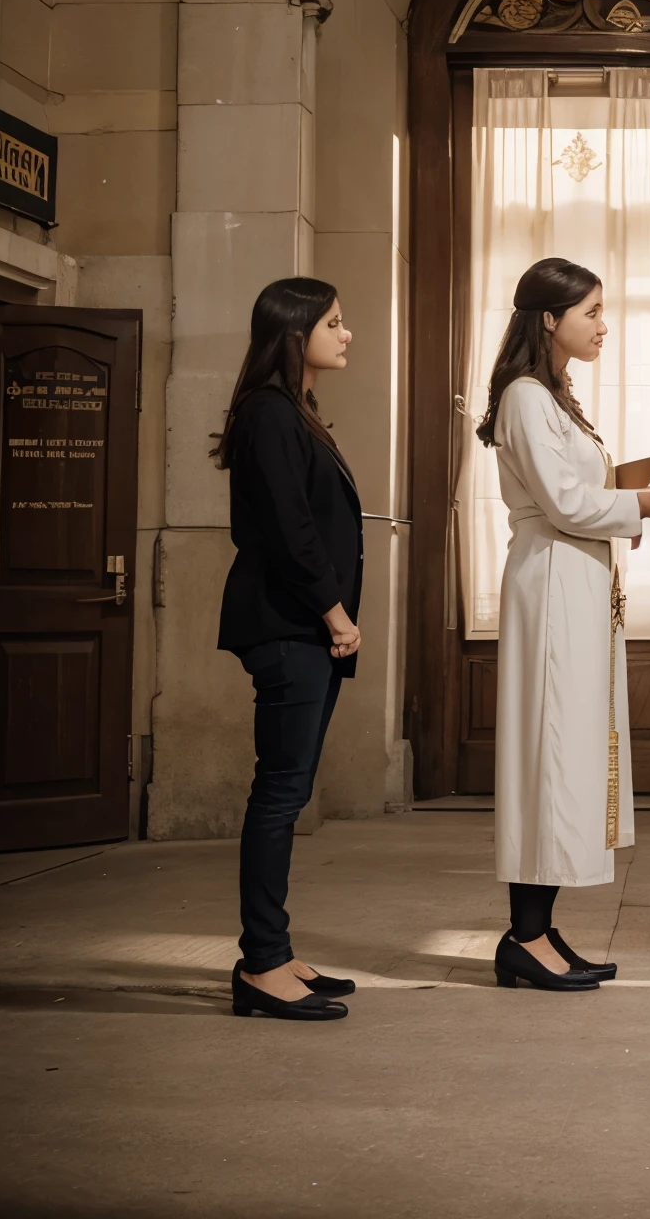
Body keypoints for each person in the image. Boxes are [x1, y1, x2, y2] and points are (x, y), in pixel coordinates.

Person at [478, 258, 650, 992]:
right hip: (549, 586)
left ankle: (538, 930)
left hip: (577, 582)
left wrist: (638, 498)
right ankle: (524, 938)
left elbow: (582, 494)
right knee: (551, 757)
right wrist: (643, 503)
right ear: (550, 318)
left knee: (570, 758)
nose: (604, 326)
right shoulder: (524, 396)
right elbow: (568, 503)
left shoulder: (553, 395)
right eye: (592, 312)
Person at [215, 278, 363, 1022]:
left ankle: (274, 950)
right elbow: (289, 530)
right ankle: (261, 964)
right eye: (333, 323)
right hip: (289, 626)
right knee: (278, 795)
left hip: (301, 626)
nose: (346, 335)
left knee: (287, 791)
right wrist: (335, 613)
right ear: (293, 331)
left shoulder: (289, 412)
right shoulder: (271, 415)